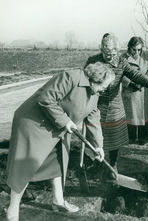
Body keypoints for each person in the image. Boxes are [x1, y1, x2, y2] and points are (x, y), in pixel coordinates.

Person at [5, 62, 115, 221]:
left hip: (56, 126)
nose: (106, 89)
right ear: (96, 79)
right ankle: (12, 211)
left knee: (57, 161)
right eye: (105, 85)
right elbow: (46, 98)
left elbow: (93, 120)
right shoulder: (71, 77)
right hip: (34, 122)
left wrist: (98, 146)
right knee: (26, 166)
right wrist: (65, 121)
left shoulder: (94, 94)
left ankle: (58, 200)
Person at [84, 33, 148, 174]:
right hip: (96, 105)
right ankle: (97, 162)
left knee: (114, 138)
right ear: (102, 49)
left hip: (115, 106)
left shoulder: (121, 62)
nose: (109, 56)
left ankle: (113, 164)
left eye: (112, 53)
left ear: (117, 51)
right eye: (106, 53)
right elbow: (84, 79)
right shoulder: (93, 61)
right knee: (95, 136)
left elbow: (134, 74)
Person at [121, 36, 148, 145]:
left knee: (144, 113)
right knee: (131, 114)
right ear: (129, 47)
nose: (137, 52)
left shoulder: (145, 58)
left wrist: (145, 81)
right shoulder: (123, 59)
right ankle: (131, 137)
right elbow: (120, 74)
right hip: (130, 91)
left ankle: (144, 137)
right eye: (134, 49)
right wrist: (132, 83)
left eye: (139, 49)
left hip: (143, 91)